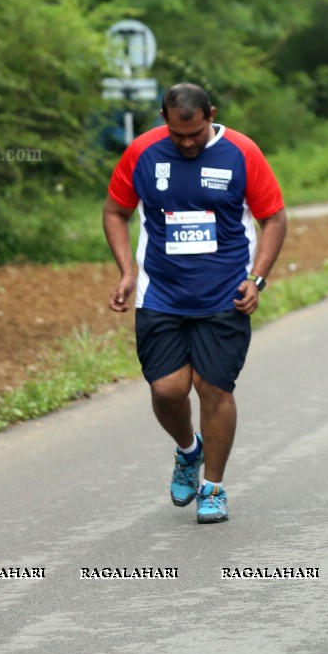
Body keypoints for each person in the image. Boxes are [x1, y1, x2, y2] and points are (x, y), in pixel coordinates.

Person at [102, 82, 287, 523]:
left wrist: (256, 279)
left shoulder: (241, 152)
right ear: (164, 118)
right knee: (167, 390)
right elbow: (115, 211)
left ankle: (214, 487)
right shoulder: (143, 152)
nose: (186, 143)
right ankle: (189, 451)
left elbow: (273, 218)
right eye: (177, 134)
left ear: (211, 115)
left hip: (225, 296)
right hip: (160, 293)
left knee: (214, 389)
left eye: (195, 134)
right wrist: (128, 272)